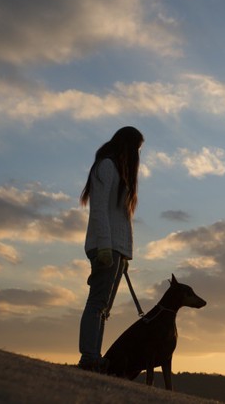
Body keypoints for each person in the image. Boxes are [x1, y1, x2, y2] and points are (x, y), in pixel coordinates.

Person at [78, 126, 144, 372]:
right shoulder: (105, 166)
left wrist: (125, 254)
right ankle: (89, 356)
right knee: (97, 302)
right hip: (105, 247)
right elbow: (99, 210)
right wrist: (105, 246)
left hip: (115, 249)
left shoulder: (119, 171)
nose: (138, 155)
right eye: (136, 149)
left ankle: (94, 356)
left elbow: (120, 218)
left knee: (104, 307)